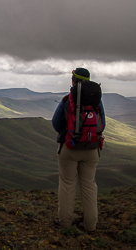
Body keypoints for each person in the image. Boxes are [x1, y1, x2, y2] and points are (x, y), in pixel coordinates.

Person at [51, 68, 106, 233]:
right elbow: (102, 124)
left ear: (73, 80)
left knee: (68, 184)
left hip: (70, 148)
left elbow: (55, 124)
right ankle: (90, 225)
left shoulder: (68, 99)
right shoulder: (97, 100)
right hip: (91, 149)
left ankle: (65, 222)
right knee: (89, 185)